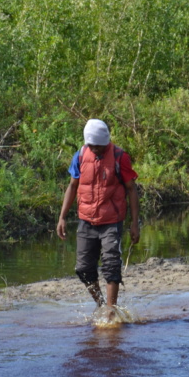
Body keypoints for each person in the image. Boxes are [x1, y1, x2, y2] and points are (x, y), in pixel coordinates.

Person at [56, 119, 140, 310]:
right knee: (83, 269)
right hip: (86, 221)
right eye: (93, 147)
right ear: (88, 144)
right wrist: (62, 217)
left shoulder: (120, 157)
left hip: (112, 221)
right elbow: (72, 186)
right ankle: (101, 305)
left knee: (111, 265)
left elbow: (132, 190)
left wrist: (135, 223)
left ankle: (111, 311)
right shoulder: (80, 155)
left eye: (101, 147)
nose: (97, 151)